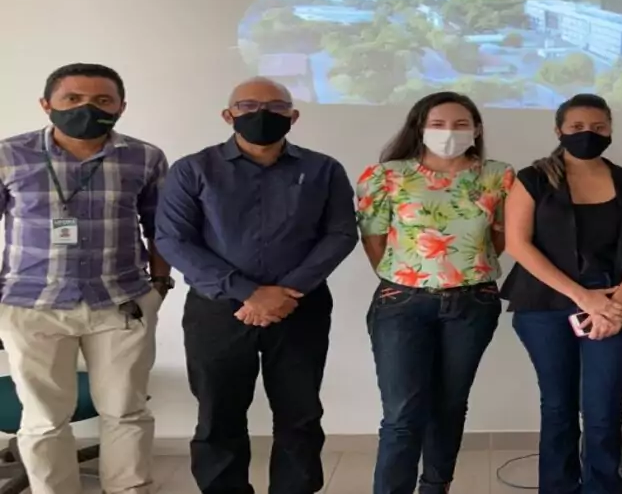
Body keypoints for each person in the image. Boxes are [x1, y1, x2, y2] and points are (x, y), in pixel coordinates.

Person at [154, 77, 358, 494]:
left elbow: (340, 233)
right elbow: (173, 240)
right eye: (248, 106)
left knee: (300, 414)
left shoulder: (323, 169)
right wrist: (248, 292)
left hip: (299, 307)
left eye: (276, 107)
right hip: (217, 309)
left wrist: (287, 291)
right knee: (219, 414)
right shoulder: (193, 169)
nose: (262, 114)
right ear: (228, 115)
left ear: (293, 117)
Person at [0, 63, 171, 494]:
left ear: (121, 107)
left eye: (102, 100)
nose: (87, 108)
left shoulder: (145, 157)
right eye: (73, 99)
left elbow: (162, 229)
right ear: (47, 105)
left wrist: (159, 285)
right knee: (43, 419)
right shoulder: (9, 155)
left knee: (126, 412)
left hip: (121, 303)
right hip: (31, 305)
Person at [355, 92, 514, 494]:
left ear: (476, 130)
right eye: (438, 124)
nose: (449, 133)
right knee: (402, 414)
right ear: (420, 128)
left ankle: (435, 485)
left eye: (461, 124)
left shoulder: (498, 176)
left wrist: (463, 268)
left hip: (474, 301)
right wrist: (412, 276)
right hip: (402, 302)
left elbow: (499, 238)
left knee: (449, 405)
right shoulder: (387, 175)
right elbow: (374, 239)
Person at [502, 93, 622, 494]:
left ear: (610, 130)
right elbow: (518, 244)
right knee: (558, 406)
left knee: (603, 409)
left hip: (617, 307)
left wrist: (615, 306)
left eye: (598, 127)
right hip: (544, 307)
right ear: (559, 131)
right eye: (577, 127)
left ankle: (602, 488)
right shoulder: (533, 179)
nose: (588, 134)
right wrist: (585, 298)